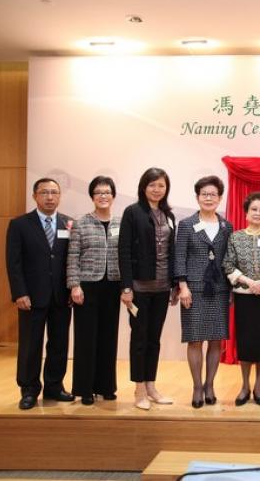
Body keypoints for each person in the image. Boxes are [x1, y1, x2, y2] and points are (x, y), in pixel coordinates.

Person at [6, 178, 75, 410]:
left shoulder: (69, 224)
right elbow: (13, 263)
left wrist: (71, 288)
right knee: (30, 345)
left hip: (60, 296)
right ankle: (29, 390)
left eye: (54, 192)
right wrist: (19, 293)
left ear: (59, 196)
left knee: (59, 344)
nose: (49, 197)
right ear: (34, 195)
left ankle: (54, 386)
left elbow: (71, 260)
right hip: (31, 297)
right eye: (44, 192)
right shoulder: (19, 224)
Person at [118, 167, 178, 410]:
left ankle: (152, 386)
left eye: (161, 185)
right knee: (139, 339)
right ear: (144, 187)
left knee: (154, 338)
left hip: (163, 287)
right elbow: (123, 251)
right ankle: (139, 389)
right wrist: (126, 287)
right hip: (139, 288)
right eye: (152, 185)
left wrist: (174, 284)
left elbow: (172, 252)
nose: (157, 189)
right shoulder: (132, 212)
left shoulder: (169, 215)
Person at [175, 176, 233, 408]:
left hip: (219, 289)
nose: (209, 198)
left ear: (220, 198)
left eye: (213, 194)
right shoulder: (187, 225)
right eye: (204, 194)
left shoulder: (226, 226)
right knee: (195, 339)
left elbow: (229, 258)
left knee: (216, 339)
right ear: (198, 197)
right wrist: (182, 286)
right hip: (194, 289)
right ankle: (197, 387)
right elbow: (179, 256)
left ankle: (210, 384)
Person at [223, 192, 260, 407]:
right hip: (244, 297)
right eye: (254, 209)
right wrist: (250, 283)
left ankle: (258, 386)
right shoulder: (235, 237)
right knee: (246, 342)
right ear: (246, 213)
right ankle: (244, 386)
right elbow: (228, 265)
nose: (258, 213)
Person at [66, 176, 122, 405]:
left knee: (109, 337)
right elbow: (72, 256)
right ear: (92, 196)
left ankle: (106, 386)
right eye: (98, 192)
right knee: (86, 338)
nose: (103, 196)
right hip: (87, 286)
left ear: (113, 196)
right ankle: (85, 388)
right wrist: (74, 285)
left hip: (113, 285)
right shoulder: (81, 223)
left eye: (107, 192)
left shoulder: (120, 223)